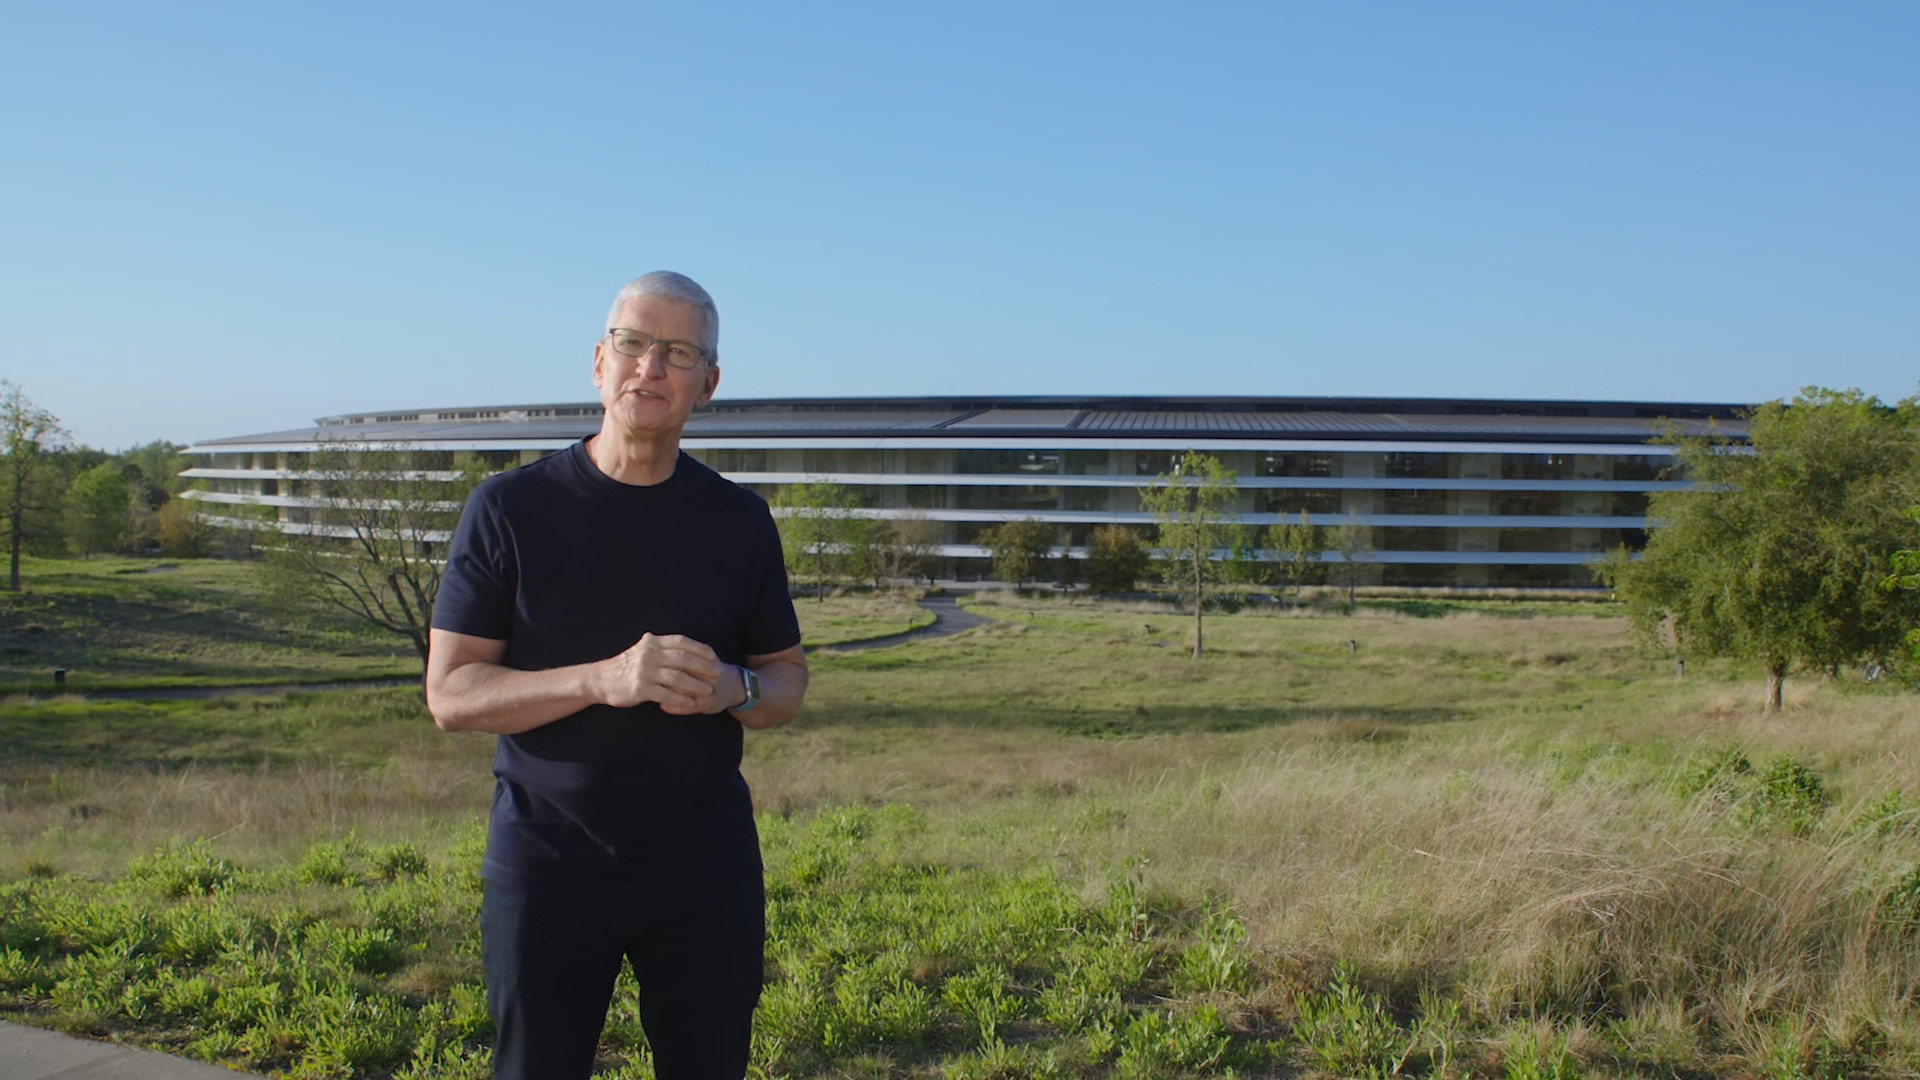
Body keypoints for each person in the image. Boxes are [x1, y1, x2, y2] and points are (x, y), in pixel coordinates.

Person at [424, 271, 808, 1080]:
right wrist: (603, 680)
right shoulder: (508, 508)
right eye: (633, 344)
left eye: (678, 352)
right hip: (546, 864)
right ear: (599, 361)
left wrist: (733, 688)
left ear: (709, 383)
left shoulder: (740, 522)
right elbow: (451, 695)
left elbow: (785, 682)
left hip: (706, 869)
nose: (650, 367)